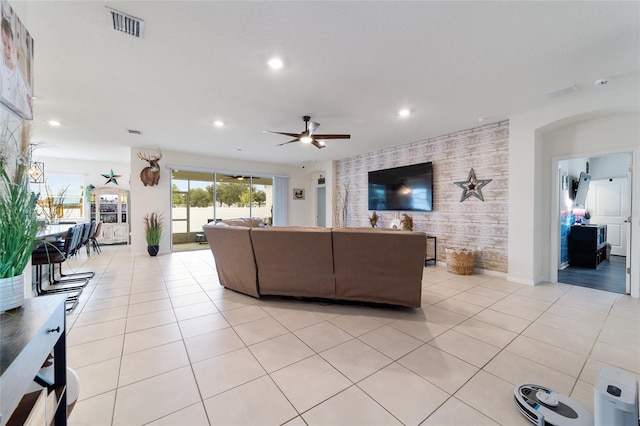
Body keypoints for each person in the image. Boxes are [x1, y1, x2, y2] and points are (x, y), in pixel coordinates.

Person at [1, 16, 32, 118]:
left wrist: (27, 96)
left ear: (14, 49)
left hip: (12, 109)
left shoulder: (16, 71)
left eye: (9, 47)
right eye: (4, 44)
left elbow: (23, 88)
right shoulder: (1, 62)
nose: (6, 51)